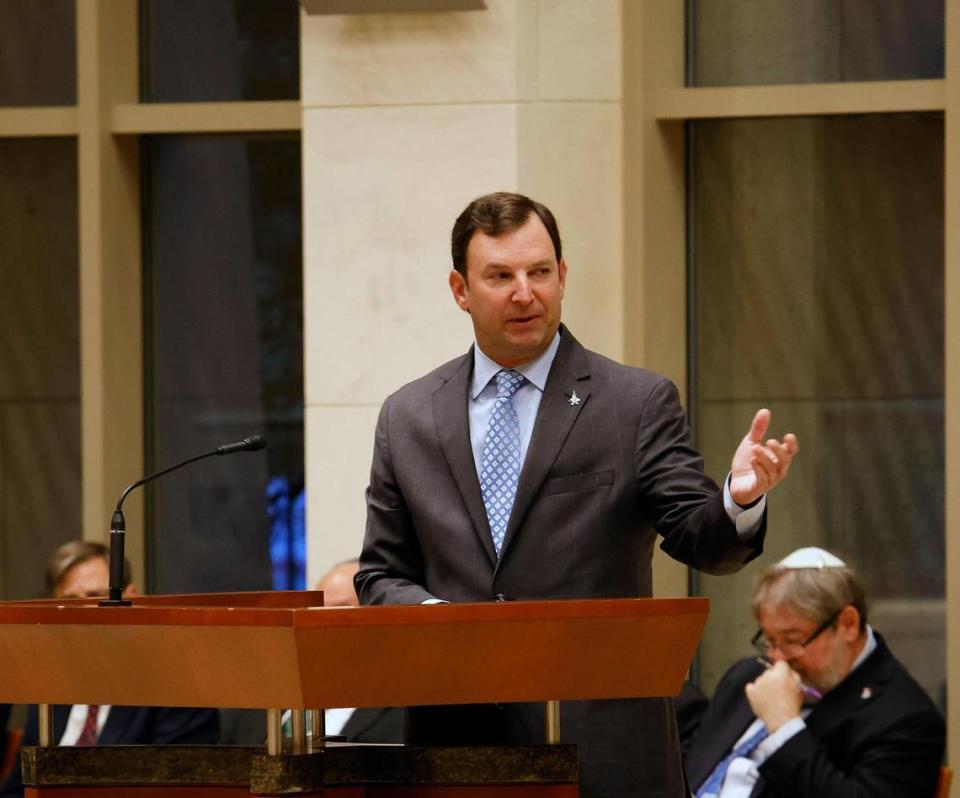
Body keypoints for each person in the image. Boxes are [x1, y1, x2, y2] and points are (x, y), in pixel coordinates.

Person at [355, 191, 799, 797]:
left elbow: (703, 543)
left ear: (562, 276)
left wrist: (738, 502)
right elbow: (380, 574)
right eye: (501, 276)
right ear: (460, 289)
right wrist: (443, 623)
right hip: (457, 745)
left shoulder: (633, 403)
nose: (524, 292)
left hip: (604, 746)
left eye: (540, 272)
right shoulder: (409, 416)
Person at [683, 547, 945, 798]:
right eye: (771, 640)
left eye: (792, 639)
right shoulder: (747, 677)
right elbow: (690, 772)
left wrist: (784, 728)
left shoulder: (904, 720)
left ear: (848, 625)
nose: (777, 659)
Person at [0, 541, 219, 798]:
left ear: (134, 597)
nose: (82, 613)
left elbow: (174, 791)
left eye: (95, 597)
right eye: (69, 601)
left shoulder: (179, 686)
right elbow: (18, 787)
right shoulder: (53, 684)